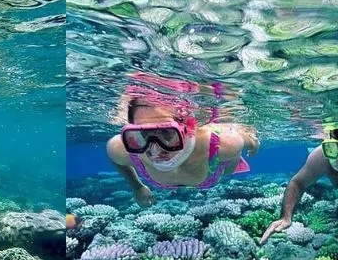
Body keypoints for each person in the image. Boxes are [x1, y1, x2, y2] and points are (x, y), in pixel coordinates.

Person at [106, 80, 260, 208]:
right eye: (142, 134)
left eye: (166, 133)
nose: (155, 149)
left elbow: (248, 140)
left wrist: (252, 142)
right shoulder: (122, 148)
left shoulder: (226, 144)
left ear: (188, 129)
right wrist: (137, 186)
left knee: (230, 154)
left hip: (217, 164)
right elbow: (116, 160)